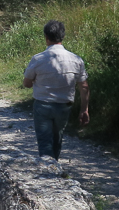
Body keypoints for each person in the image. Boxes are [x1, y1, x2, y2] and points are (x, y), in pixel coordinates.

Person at [22, 20, 90, 160]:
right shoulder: (76, 60)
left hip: (43, 105)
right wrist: (84, 109)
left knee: (44, 141)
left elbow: (27, 84)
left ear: (46, 37)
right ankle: (55, 167)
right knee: (57, 138)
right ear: (62, 36)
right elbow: (84, 86)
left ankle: (48, 173)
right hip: (64, 106)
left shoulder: (38, 59)